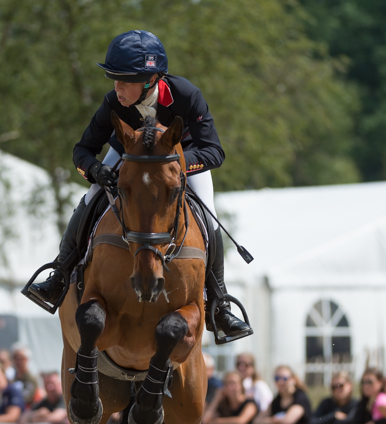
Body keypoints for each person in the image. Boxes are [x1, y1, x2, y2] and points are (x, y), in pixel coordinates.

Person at [26, 30, 251, 341]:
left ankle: (219, 303)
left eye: (125, 81)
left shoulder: (186, 95)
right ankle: (60, 274)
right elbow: (82, 150)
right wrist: (96, 170)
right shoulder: (113, 102)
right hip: (129, 155)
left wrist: (172, 165)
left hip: (180, 158)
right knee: (92, 196)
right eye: (114, 80)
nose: (117, 88)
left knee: (208, 214)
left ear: (151, 79)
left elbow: (214, 151)